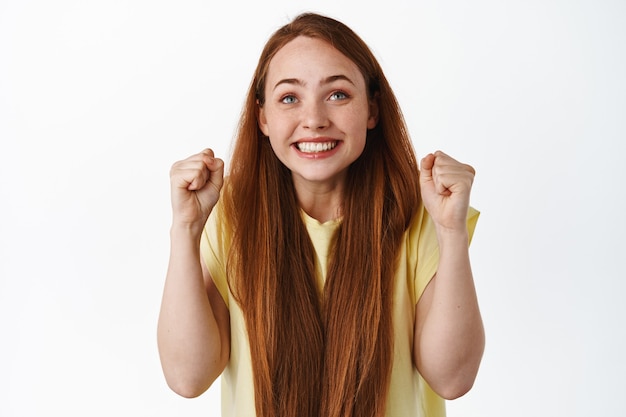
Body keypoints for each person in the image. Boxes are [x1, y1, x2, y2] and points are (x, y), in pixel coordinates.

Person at [157, 12, 484, 417]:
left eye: (338, 95)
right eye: (289, 98)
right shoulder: (231, 219)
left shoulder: (423, 217)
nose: (313, 120)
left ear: (372, 110)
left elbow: (452, 378)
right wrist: (185, 229)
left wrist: (451, 231)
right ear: (263, 117)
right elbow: (188, 377)